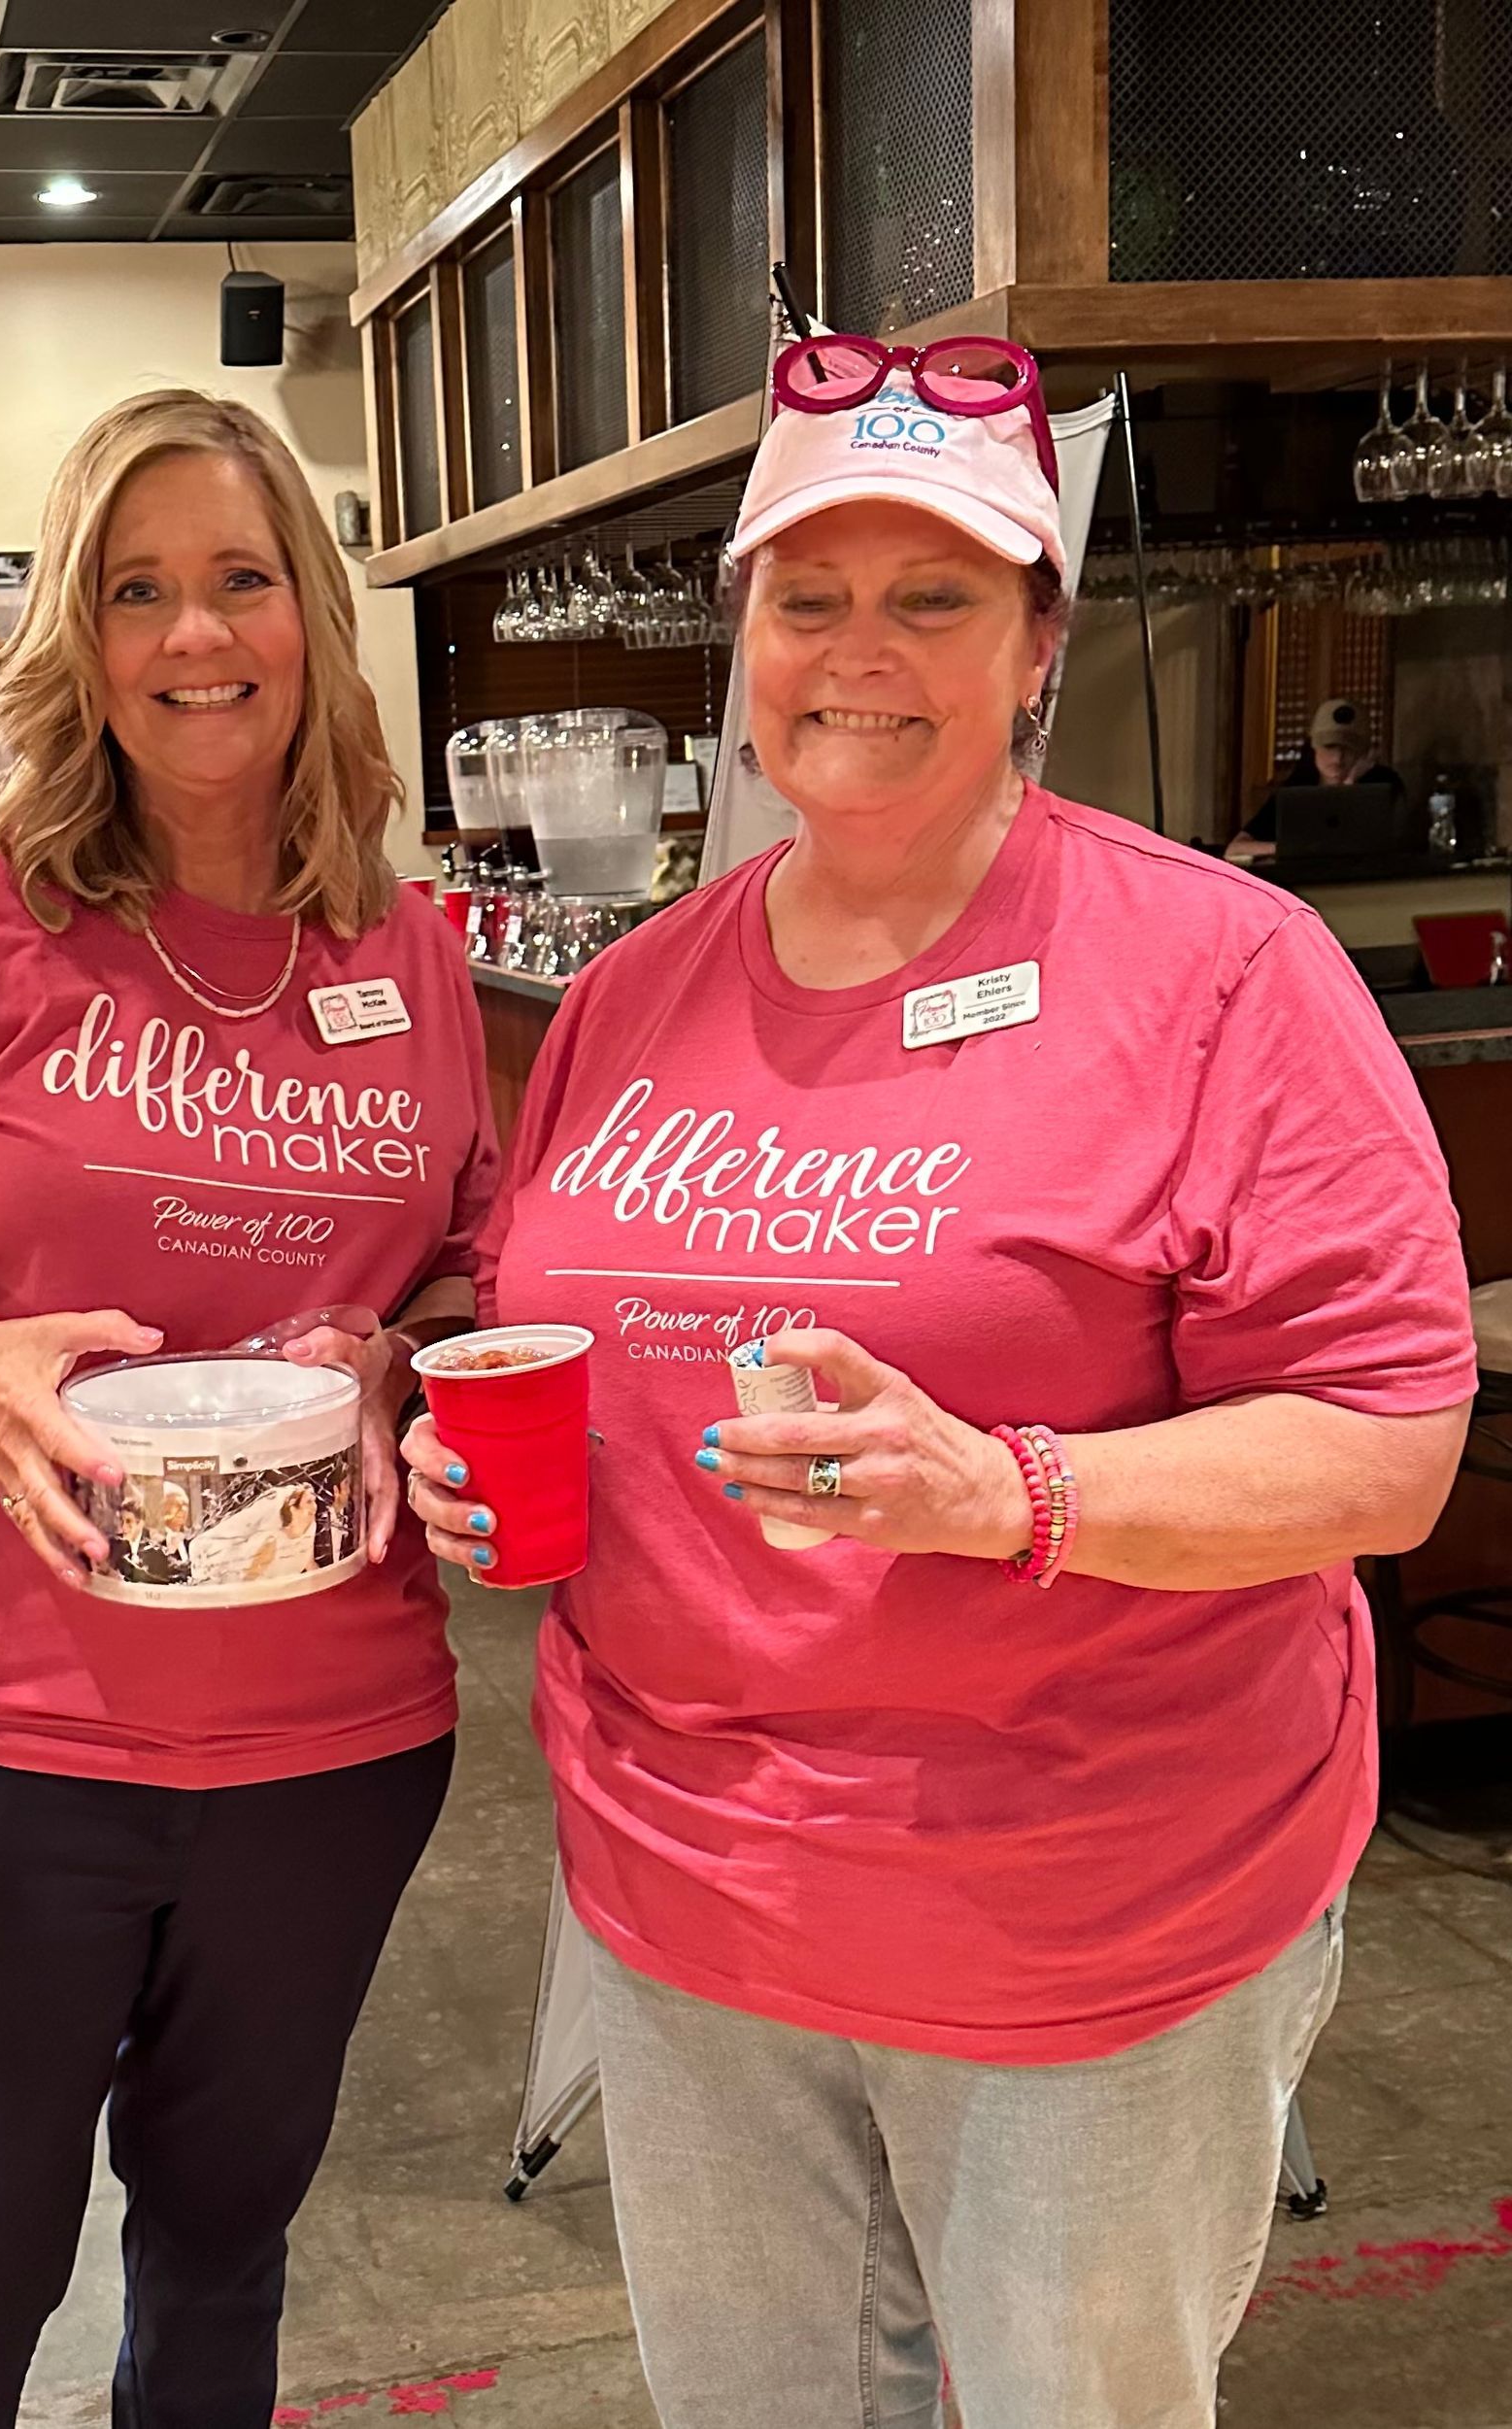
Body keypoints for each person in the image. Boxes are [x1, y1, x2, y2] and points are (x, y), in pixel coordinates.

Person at [404, 341, 1476, 2428]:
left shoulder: (1224, 971)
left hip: (1082, 1915)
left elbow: (1388, 1443)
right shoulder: (632, 994)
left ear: (1039, 639)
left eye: (937, 596)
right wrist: (486, 1472)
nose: (857, 654)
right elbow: (580, 1345)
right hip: (689, 1894)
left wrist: (1014, 1492)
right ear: (741, 626)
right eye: (810, 596)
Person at [0, 389, 496, 2429]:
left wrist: (399, 1352)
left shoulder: (409, 944)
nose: (199, 636)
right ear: (80, 641)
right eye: (139, 589)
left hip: (328, 1742)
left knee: (222, 2253)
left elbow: (460, 1265)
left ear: (308, 615)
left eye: (242, 580)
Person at [1226, 694, 1404, 860]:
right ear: (1314, 748)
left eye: (1348, 749)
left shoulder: (1385, 786)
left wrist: (1350, 786)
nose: (1337, 758)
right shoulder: (1295, 791)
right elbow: (1236, 848)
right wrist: (1290, 849)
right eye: (1329, 747)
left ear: (1364, 752)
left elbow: (1393, 845)